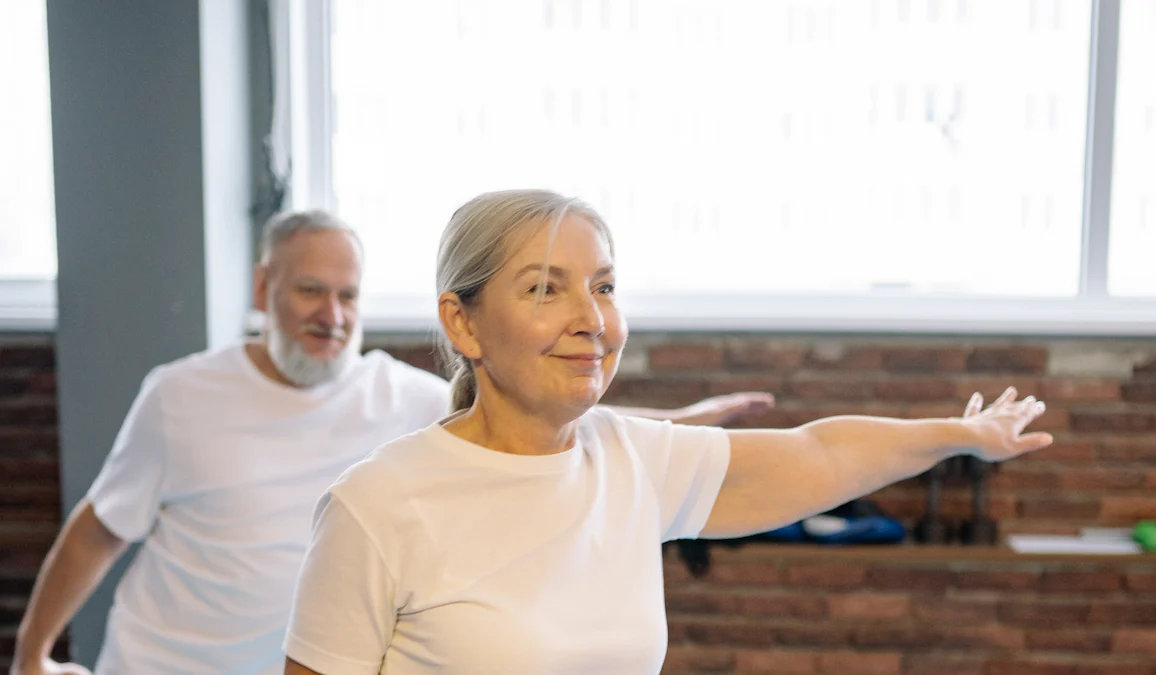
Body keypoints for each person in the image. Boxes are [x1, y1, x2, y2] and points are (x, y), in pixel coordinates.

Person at [282, 189, 1054, 675]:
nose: (591, 319)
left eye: (605, 286)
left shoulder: (632, 459)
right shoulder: (378, 504)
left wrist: (960, 433)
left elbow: (818, 453)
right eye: (545, 288)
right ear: (464, 322)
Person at [10, 210, 774, 675]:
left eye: (348, 295)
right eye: (310, 290)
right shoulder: (179, 396)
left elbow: (541, 414)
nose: (332, 313)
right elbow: (96, 531)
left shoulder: (402, 397)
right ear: (262, 289)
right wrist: (31, 652)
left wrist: (686, 420)